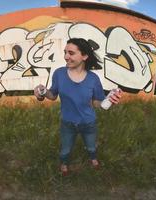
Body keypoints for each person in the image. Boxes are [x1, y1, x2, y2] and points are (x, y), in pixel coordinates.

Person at [34, 38, 121, 176]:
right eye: (65, 52)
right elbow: (52, 95)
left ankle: (93, 159)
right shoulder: (59, 73)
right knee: (65, 149)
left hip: (88, 123)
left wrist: (108, 100)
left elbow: (96, 103)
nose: (66, 57)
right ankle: (64, 164)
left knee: (91, 146)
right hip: (67, 123)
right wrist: (42, 92)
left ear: (84, 56)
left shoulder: (93, 79)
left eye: (71, 53)